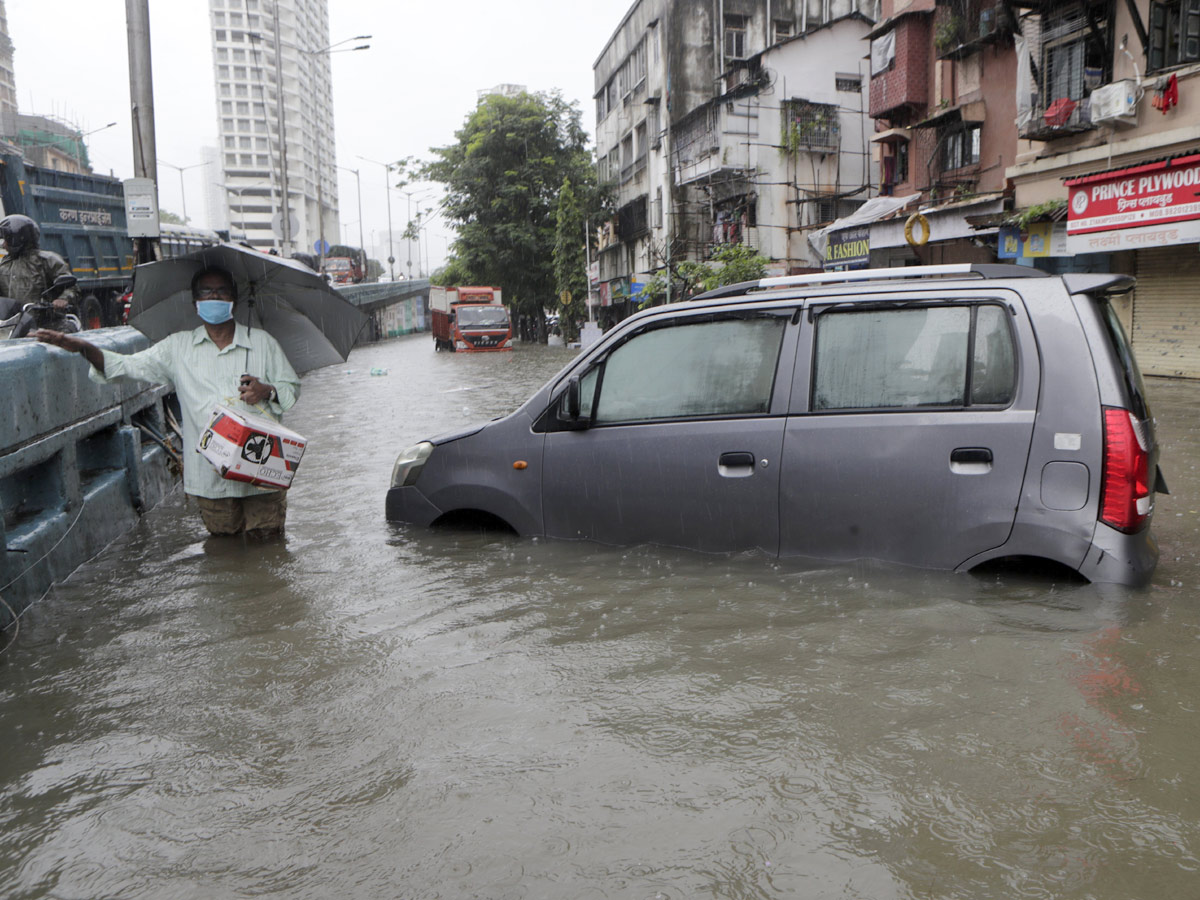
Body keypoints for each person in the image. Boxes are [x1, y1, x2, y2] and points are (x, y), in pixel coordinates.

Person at [36, 266, 302, 539]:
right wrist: (83, 347)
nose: (214, 297)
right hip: (210, 475)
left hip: (262, 470)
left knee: (268, 546)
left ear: (234, 297)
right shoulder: (178, 347)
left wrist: (266, 390)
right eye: (206, 292)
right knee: (225, 550)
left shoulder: (263, 343)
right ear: (195, 301)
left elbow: (291, 389)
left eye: (221, 290)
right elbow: (126, 366)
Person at [0, 214, 81, 313]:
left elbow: (71, 287)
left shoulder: (47, 260)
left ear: (18, 238)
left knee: (63, 328)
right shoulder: (4, 264)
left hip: (48, 322)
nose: (3, 245)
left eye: (6, 240)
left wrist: (63, 299)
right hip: (15, 323)